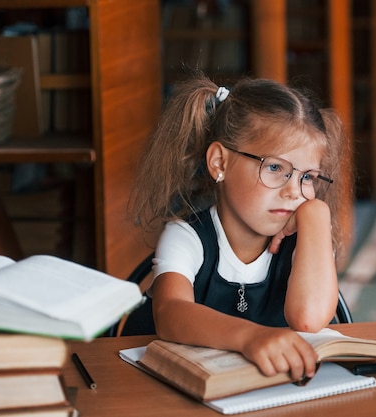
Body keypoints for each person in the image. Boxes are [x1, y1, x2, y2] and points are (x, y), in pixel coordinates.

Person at [129, 72, 350, 383]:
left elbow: (308, 319)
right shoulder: (188, 236)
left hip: (260, 393)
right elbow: (170, 312)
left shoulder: (306, 235)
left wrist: (316, 213)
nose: (294, 192)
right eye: (275, 168)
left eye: (308, 177)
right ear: (219, 162)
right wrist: (250, 337)